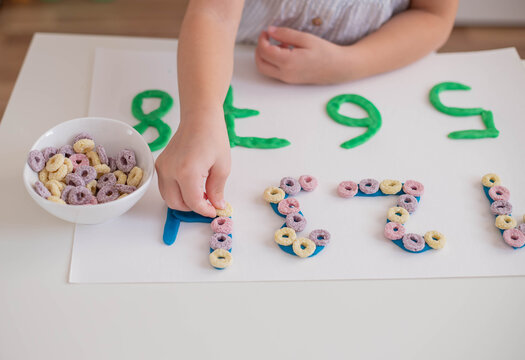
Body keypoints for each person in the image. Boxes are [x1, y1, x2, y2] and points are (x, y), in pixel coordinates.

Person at [155, 0, 458, 217]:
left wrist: (350, 63)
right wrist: (202, 115)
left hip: (381, 61)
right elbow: (213, 12)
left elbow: (433, 15)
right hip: (237, 62)